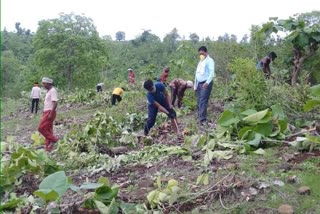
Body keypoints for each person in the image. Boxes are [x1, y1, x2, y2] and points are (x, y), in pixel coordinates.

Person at [194, 46, 215, 125]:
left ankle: (202, 120)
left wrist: (207, 82)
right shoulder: (200, 62)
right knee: (199, 101)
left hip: (205, 83)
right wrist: (195, 85)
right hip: (199, 83)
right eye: (200, 54)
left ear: (206, 52)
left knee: (203, 101)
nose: (201, 55)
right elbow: (197, 74)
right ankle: (200, 117)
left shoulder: (210, 61)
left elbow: (211, 72)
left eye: (202, 53)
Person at [38, 77, 59, 151]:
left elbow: (55, 102)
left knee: (41, 128)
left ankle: (55, 140)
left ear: (48, 83)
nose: (43, 85)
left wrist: (51, 113)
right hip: (47, 112)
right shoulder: (49, 91)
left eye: (44, 83)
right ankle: (49, 147)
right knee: (48, 129)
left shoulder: (53, 91)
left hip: (50, 112)